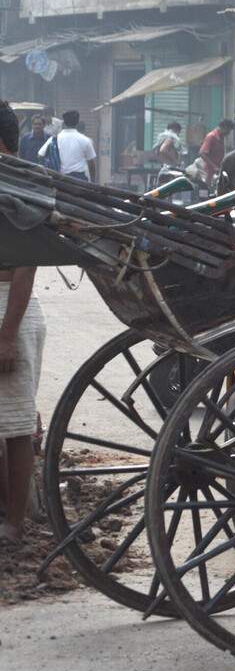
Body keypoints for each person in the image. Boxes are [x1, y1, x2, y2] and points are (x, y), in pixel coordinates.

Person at [0, 102, 44, 542]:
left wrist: (7, 334)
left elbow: (26, 266)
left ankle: (13, 522)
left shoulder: (20, 183)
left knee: (13, 424)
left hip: (10, 308)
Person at [50, 110, 97, 181]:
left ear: (64, 123)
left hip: (61, 179)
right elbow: (91, 164)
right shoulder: (86, 140)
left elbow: (42, 155)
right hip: (80, 179)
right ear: (77, 122)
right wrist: (93, 182)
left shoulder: (54, 139)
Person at [195, 118, 235, 188]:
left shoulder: (221, 138)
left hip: (216, 171)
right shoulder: (211, 136)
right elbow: (202, 153)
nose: (229, 133)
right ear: (224, 127)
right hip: (209, 171)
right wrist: (214, 167)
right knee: (207, 191)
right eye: (229, 130)